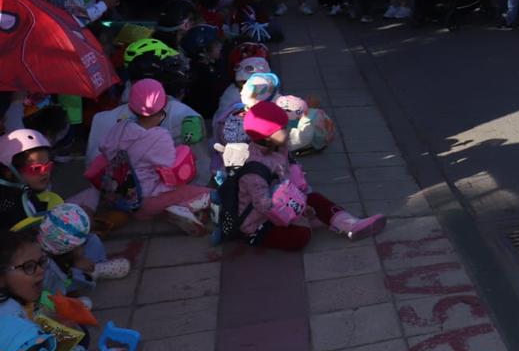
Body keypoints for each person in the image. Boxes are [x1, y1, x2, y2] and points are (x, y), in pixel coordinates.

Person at [223, 101, 385, 248]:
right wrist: (297, 213)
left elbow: (285, 182)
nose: (288, 130)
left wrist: (300, 203)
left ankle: (350, 224)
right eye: (283, 129)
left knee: (315, 199)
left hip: (284, 205)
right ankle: (317, 221)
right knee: (300, 237)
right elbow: (265, 206)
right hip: (260, 223)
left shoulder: (279, 150)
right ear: (267, 136)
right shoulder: (254, 172)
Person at [96, 79, 212, 235]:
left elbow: (104, 148)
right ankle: (183, 207)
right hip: (149, 199)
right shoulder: (159, 136)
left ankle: (168, 210)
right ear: (164, 105)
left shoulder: (120, 127)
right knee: (209, 193)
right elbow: (171, 168)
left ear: (131, 106)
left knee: (139, 209)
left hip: (121, 196)